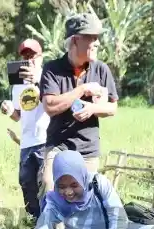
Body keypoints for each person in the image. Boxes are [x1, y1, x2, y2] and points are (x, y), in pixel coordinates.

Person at [39, 12, 119, 199]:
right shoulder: (53, 69)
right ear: (75, 40)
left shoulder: (101, 69)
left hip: (88, 148)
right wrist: (82, 89)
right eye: (91, 37)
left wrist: (92, 108)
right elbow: (50, 106)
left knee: (85, 197)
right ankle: (51, 227)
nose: (97, 42)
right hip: (59, 145)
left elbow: (112, 107)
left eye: (97, 37)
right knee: (49, 185)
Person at [1, 38, 51, 219]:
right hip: (26, 142)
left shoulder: (48, 76)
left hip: (45, 139)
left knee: (45, 183)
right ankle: (34, 221)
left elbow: (55, 101)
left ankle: (50, 223)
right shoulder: (17, 85)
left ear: (41, 57)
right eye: (25, 56)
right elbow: (18, 116)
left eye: (33, 56)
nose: (29, 60)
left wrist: (37, 80)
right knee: (26, 183)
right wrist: (8, 111)